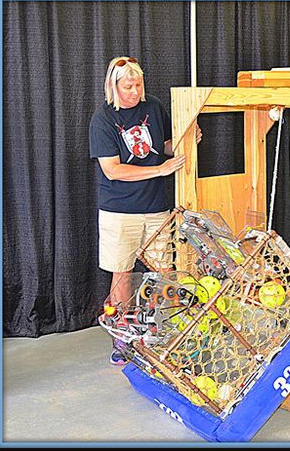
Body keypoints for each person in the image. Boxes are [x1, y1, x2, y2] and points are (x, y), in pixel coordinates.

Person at [89, 56, 202, 365]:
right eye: (128, 86)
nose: (136, 91)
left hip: (155, 208)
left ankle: (161, 335)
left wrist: (184, 142)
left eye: (138, 84)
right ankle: (122, 341)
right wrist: (160, 170)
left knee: (164, 274)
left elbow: (163, 145)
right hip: (119, 211)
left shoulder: (152, 105)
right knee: (121, 275)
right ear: (113, 87)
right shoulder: (102, 119)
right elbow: (113, 170)